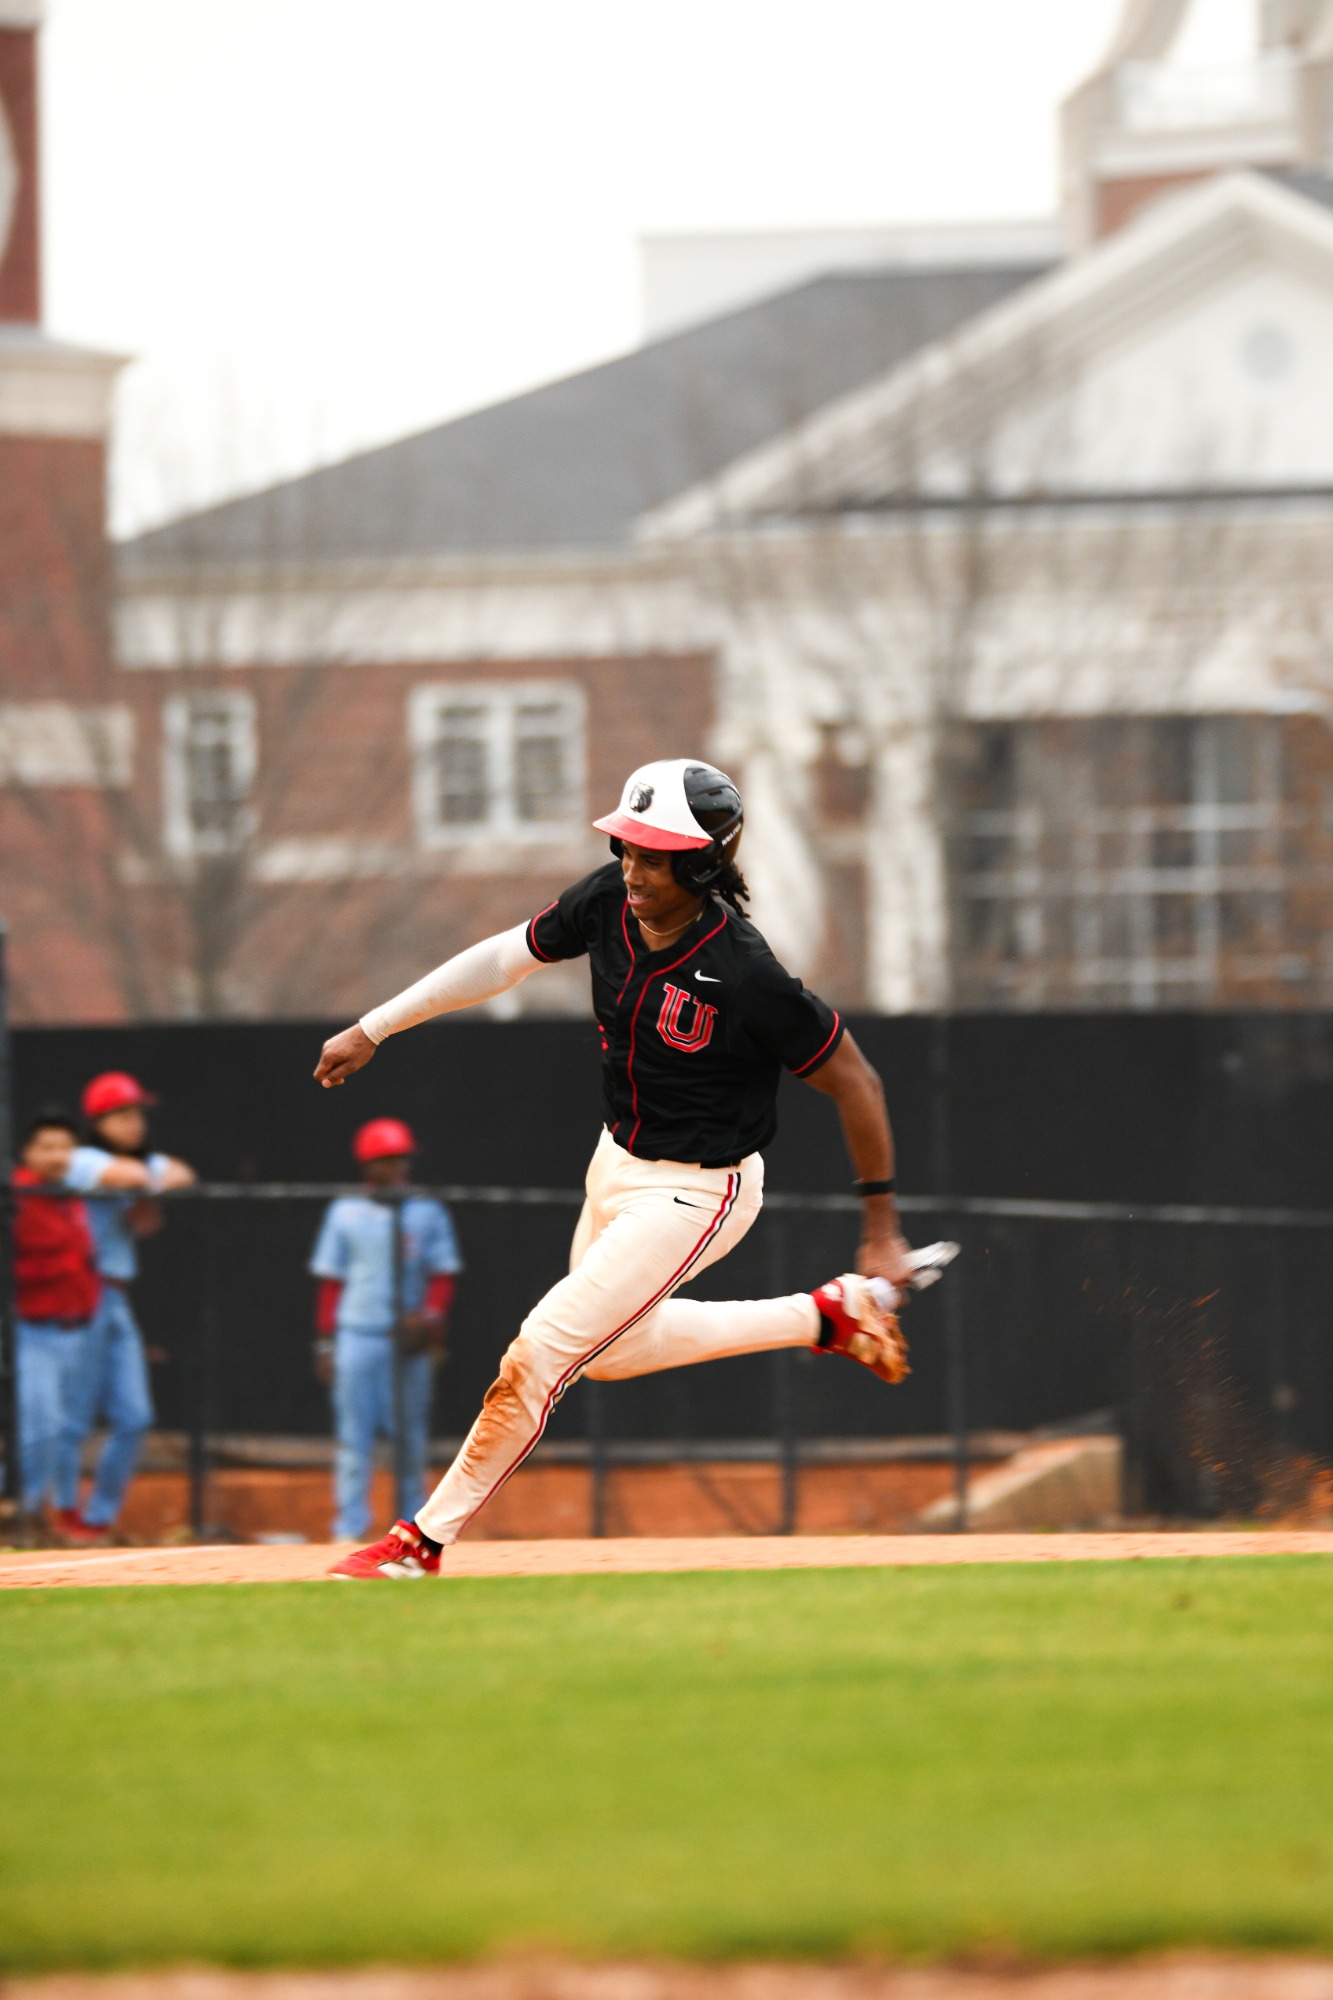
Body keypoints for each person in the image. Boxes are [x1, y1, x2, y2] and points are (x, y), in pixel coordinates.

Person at [315, 758, 949, 1580]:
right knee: (609, 1351)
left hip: (699, 1191)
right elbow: (503, 959)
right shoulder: (608, 903)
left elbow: (856, 1080)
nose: (631, 866)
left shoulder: (746, 974)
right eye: (627, 846)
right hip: (613, 1163)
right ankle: (830, 1316)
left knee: (539, 1353)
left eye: (654, 852)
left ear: (703, 862)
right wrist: (376, 1026)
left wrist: (880, 1228)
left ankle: (420, 1543)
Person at [309, 1118, 462, 1542]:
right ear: (367, 1164)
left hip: (406, 1342)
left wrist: (431, 1318)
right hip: (356, 1334)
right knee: (354, 1439)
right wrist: (325, 1344)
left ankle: (412, 1532)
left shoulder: (426, 1211)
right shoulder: (345, 1211)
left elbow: (443, 1275)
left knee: (410, 1441)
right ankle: (349, 1529)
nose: (396, 1167)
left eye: (401, 1158)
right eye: (386, 1160)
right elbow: (331, 1283)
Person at [60, 1072, 196, 1542]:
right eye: (125, 1113)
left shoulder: (135, 1162)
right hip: (77, 1295)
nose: (137, 1123)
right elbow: (133, 1176)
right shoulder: (78, 1157)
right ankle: (58, 1513)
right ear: (100, 1120)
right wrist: (147, 1184)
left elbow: (182, 1173)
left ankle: (96, 1518)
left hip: (115, 1295)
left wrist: (147, 1187)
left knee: (135, 1416)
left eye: (139, 1113)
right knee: (73, 1415)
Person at [11, 1111, 101, 1534]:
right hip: (33, 1327)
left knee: (66, 1429)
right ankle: (22, 1511)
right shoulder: (16, 1197)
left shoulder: (70, 1194)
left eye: (64, 1146)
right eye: (46, 1147)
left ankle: (45, 1511)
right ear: (27, 1153)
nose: (56, 1155)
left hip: (77, 1328)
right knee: (39, 1426)